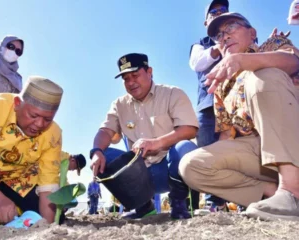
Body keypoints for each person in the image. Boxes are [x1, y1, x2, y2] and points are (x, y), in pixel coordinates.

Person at [179, 12, 299, 221]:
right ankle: (276, 195)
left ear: (252, 33)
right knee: (191, 164)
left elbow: (292, 62)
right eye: (219, 35)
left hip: (292, 136)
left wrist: (244, 61)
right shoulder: (221, 83)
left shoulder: (271, 47)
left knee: (262, 76)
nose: (224, 37)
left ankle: (293, 190)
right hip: (259, 152)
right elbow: (227, 137)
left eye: (231, 27)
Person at [90, 53, 199, 219]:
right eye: (126, 79)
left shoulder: (172, 94)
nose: (131, 82)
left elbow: (190, 129)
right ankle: (143, 207)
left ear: (149, 71)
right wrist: (96, 151)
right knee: (104, 155)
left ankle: (178, 203)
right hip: (138, 175)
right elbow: (105, 131)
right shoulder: (119, 105)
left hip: (169, 170)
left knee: (185, 148)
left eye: (135, 75)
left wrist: (156, 143)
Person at [0, 76, 64, 224]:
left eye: (47, 119)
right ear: (17, 103)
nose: (39, 124)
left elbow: (47, 186)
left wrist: (47, 229)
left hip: (19, 181)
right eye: (33, 115)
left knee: (52, 218)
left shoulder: (52, 134)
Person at [189, 0, 229, 211]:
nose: (219, 13)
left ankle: (244, 200)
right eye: (214, 12)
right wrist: (218, 49)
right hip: (208, 107)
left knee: (238, 147)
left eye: (223, 10)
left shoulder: (241, 37)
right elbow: (197, 63)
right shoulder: (200, 44)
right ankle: (216, 200)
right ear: (206, 21)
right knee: (208, 151)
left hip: (237, 105)